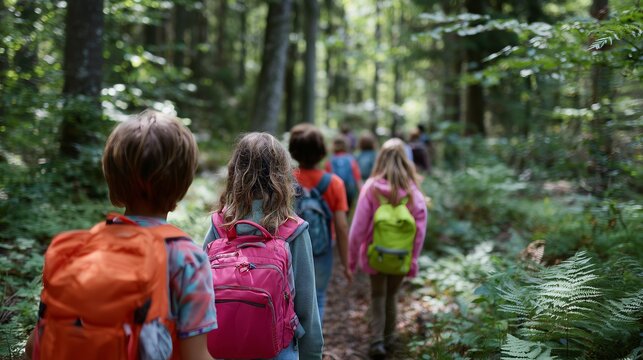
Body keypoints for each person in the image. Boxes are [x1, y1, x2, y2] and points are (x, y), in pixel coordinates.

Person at [26, 110, 217, 360]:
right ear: (182, 186)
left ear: (113, 183)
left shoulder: (78, 250)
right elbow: (196, 356)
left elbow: (34, 346)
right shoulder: (188, 259)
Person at [203, 133, 323, 359]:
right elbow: (307, 309)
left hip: (222, 348)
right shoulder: (292, 230)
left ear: (236, 172)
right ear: (282, 174)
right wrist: (313, 354)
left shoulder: (220, 226)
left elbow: (199, 294)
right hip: (278, 351)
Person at [348, 138, 428, 359]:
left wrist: (352, 259)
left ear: (380, 159)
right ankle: (390, 338)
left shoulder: (372, 188)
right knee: (392, 295)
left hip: (376, 254)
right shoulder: (413, 191)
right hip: (402, 256)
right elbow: (420, 231)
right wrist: (413, 260)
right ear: (406, 160)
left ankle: (376, 341)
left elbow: (358, 229)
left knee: (377, 295)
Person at [289, 123, 353, 321]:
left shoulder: (284, 181)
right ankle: (313, 348)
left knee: (288, 298)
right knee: (318, 297)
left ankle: (291, 347)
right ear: (322, 151)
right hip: (321, 250)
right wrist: (346, 262)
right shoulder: (334, 183)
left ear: (293, 151)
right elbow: (341, 227)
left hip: (288, 249)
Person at [325, 135, 362, 208]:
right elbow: (357, 178)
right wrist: (362, 193)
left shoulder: (330, 160)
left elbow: (327, 179)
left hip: (335, 191)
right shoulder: (351, 159)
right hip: (349, 190)